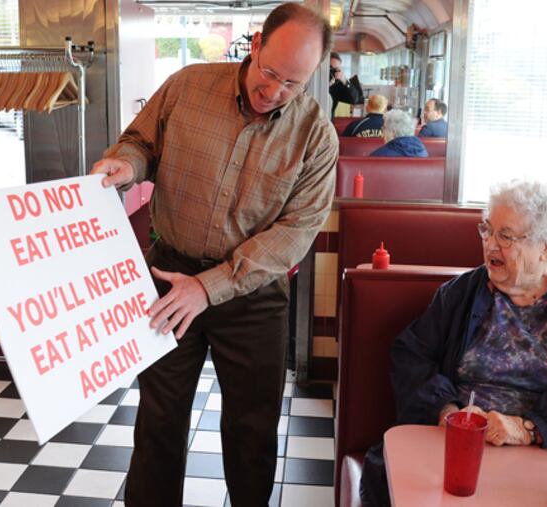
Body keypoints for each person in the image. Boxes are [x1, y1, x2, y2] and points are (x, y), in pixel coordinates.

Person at [91, 4, 337, 506]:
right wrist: (125, 165)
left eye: (295, 82)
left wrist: (210, 287)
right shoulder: (187, 87)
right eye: (270, 73)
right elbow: (141, 142)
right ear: (255, 46)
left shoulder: (315, 135)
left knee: (252, 428)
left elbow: (296, 231)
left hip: (253, 294)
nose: (275, 92)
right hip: (168, 271)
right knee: (159, 419)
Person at [359, 180, 547, 506]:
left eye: (506, 236)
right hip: (452, 449)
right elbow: (411, 354)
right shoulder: (460, 294)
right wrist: (445, 410)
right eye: (487, 230)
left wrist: (531, 428)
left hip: (542, 458)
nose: (490, 245)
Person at [329, 51, 361, 117]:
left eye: (335, 69)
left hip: (328, 119)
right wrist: (327, 86)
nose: (332, 71)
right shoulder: (315, 79)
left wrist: (345, 81)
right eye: (330, 67)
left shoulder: (337, 83)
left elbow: (354, 99)